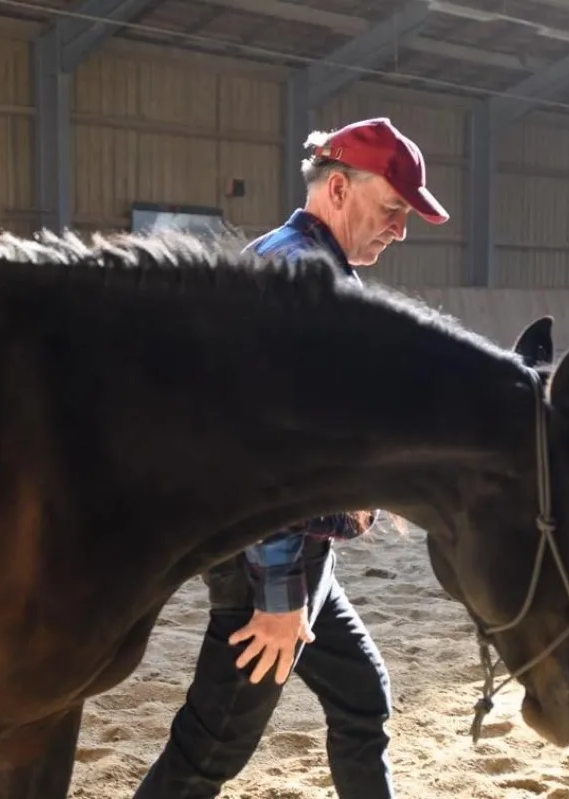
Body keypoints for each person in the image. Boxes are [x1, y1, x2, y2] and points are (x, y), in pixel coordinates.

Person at [131, 117, 450, 799]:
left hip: (298, 564)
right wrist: (279, 601)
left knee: (362, 697)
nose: (400, 228)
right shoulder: (302, 280)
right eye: (394, 209)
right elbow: (257, 452)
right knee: (206, 755)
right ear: (338, 188)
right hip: (263, 573)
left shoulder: (302, 263)